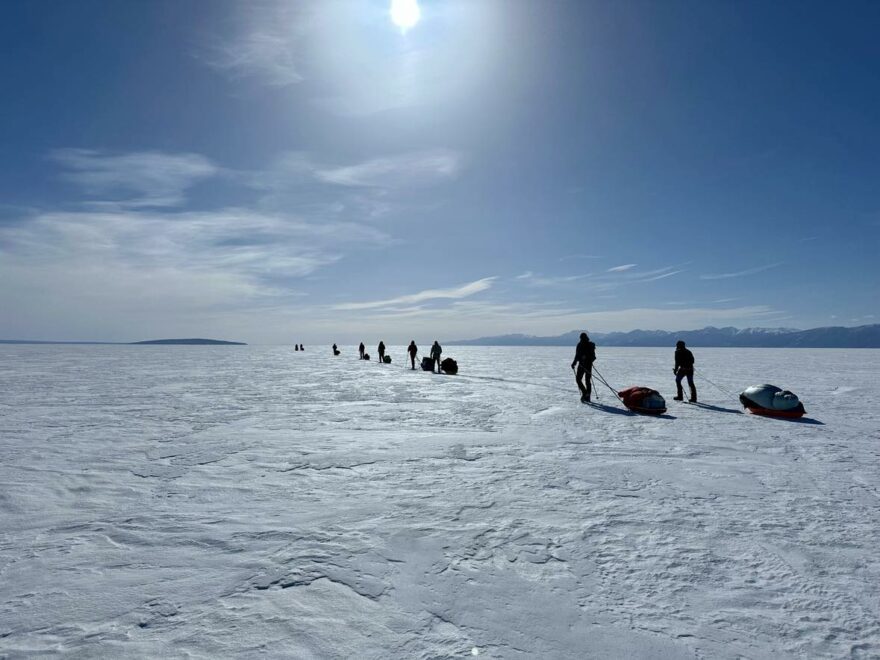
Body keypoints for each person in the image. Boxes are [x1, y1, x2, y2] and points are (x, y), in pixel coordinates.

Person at [571, 332, 596, 402]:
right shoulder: (580, 344)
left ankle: (586, 394)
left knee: (582, 380)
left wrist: (574, 363)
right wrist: (574, 363)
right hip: (584, 365)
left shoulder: (587, 345)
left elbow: (592, 356)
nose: (581, 339)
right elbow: (577, 355)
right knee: (583, 380)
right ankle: (586, 394)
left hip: (585, 365)